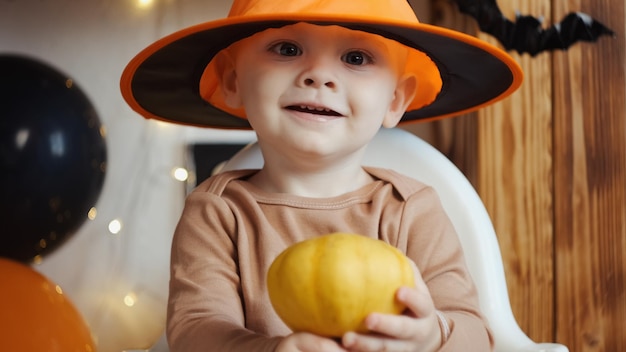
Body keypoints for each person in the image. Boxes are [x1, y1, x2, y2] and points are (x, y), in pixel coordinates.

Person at [120, 0, 523, 351]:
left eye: (356, 58)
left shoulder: (411, 209)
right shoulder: (217, 213)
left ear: (396, 98)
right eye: (287, 48)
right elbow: (195, 332)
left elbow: (477, 334)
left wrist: (430, 338)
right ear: (233, 81)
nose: (319, 76)